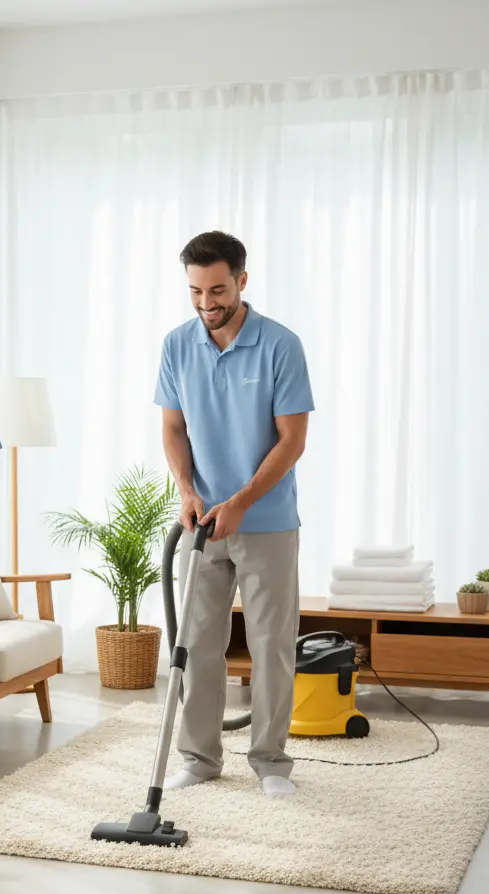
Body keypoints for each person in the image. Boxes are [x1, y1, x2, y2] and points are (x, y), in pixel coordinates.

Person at [154, 231, 314, 798]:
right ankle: (199, 758)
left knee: (270, 642)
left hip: (265, 520)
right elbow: (173, 427)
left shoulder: (280, 345)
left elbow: (291, 440)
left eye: (217, 289)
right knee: (197, 642)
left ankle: (270, 761)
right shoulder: (177, 345)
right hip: (201, 522)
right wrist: (186, 490)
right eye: (195, 291)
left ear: (242, 281)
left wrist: (241, 502)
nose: (206, 303)